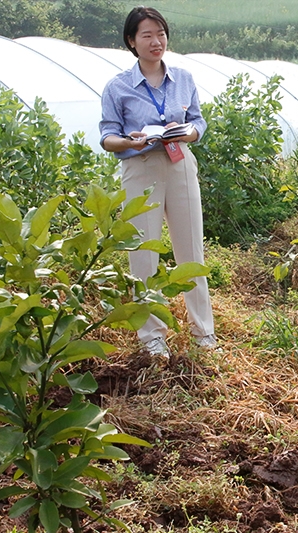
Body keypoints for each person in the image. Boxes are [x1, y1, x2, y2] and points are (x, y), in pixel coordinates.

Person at [99, 6, 216, 357]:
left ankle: (204, 335)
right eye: (147, 35)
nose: (156, 41)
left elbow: (197, 120)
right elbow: (107, 136)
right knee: (143, 254)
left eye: (160, 33)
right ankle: (152, 339)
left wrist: (191, 132)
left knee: (191, 251)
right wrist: (130, 142)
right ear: (132, 42)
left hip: (179, 163)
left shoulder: (183, 78)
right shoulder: (118, 87)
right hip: (142, 166)